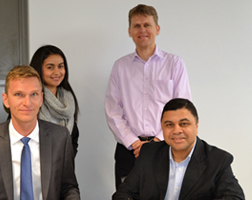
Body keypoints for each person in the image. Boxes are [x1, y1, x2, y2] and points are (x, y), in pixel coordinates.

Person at [0, 65, 80, 200]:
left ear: (41, 99)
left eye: (34, 94)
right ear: (6, 100)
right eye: (18, 94)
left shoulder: (60, 137)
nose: (27, 102)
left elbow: (68, 187)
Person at [105, 4, 191, 188]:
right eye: (136, 26)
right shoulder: (120, 67)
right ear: (129, 31)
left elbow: (183, 108)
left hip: (166, 147)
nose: (142, 30)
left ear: (157, 29)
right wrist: (134, 142)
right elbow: (112, 110)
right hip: (128, 151)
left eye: (147, 25)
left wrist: (156, 142)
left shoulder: (174, 64)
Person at [112, 98, 245, 200]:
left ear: (196, 126)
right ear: (162, 128)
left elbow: (234, 197)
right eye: (169, 124)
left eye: (184, 124)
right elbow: (124, 193)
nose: (176, 130)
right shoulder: (149, 153)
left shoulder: (218, 160)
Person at [30, 45, 79, 157]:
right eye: (50, 67)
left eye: (60, 66)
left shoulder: (68, 100)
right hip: (36, 166)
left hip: (64, 167)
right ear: (39, 69)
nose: (57, 72)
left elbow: (73, 139)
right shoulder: (29, 100)